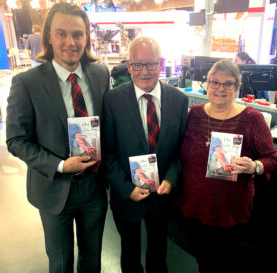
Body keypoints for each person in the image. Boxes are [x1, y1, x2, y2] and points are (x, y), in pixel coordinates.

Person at [6, 3, 110, 273]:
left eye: (77, 34)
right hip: (54, 187)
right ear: (49, 37)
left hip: (94, 187)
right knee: (61, 262)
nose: (70, 42)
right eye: (61, 33)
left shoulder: (100, 75)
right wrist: (61, 165)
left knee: (92, 259)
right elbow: (16, 140)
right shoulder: (27, 83)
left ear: (86, 37)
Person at [174, 59, 277, 273]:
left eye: (228, 84)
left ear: (238, 87)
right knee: (202, 260)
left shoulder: (252, 119)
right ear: (207, 84)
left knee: (224, 264)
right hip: (193, 204)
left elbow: (270, 158)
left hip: (229, 208)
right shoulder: (195, 113)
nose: (220, 88)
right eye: (214, 82)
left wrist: (254, 166)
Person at [102, 36, 188, 273]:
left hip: (162, 194)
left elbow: (182, 148)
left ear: (160, 63)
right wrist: (125, 188)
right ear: (129, 66)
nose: (145, 71)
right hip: (127, 193)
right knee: (129, 252)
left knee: (159, 251)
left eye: (151, 64)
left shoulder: (179, 100)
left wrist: (171, 177)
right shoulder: (112, 100)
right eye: (138, 65)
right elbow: (107, 153)